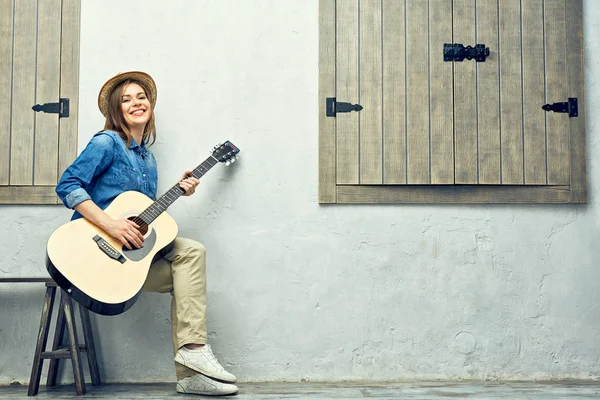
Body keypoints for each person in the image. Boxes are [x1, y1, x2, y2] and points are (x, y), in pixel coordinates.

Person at [55, 71, 238, 396]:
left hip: (122, 264)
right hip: (87, 255)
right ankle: (192, 357)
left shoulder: (148, 161)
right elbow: (68, 184)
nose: (136, 103)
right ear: (116, 110)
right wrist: (111, 225)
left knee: (190, 256)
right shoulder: (106, 142)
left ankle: (190, 367)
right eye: (126, 99)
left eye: (141, 97)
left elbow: (140, 217)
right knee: (190, 264)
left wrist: (178, 191)